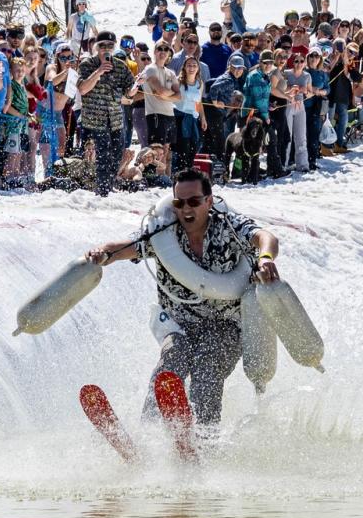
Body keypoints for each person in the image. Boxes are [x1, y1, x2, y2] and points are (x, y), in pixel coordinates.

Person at [85, 169, 282, 425]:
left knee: (207, 366)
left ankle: (205, 437)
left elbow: (266, 237)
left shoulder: (228, 226)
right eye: (179, 202)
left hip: (226, 324)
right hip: (180, 323)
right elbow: (124, 247)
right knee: (170, 365)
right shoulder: (164, 234)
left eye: (194, 201)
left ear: (208, 202)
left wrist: (265, 259)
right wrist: (101, 253)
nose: (186, 209)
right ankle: (150, 434)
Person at [77, 31, 133, 196]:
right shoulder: (87, 64)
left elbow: (129, 92)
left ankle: (108, 185)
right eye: (102, 46)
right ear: (96, 47)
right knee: (103, 155)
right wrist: (99, 71)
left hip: (115, 118)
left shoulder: (121, 66)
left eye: (110, 45)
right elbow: (82, 88)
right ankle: (102, 190)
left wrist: (135, 87)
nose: (106, 49)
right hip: (95, 119)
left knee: (116, 154)